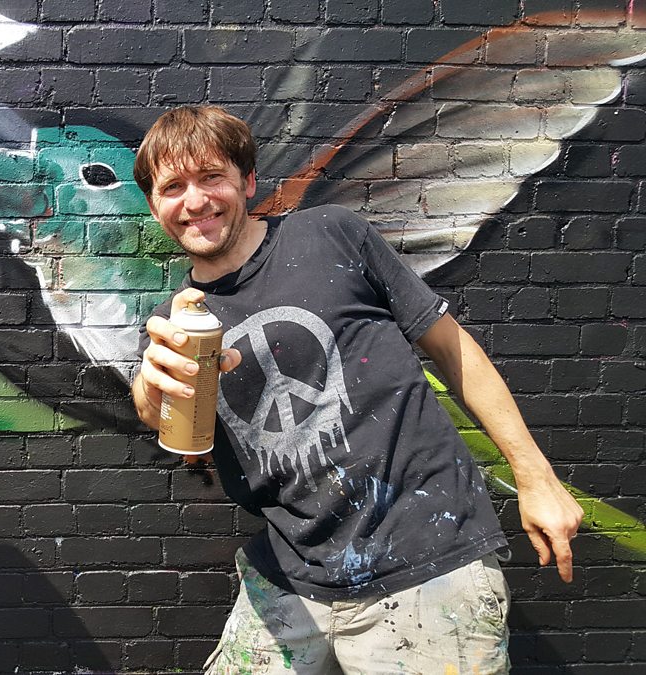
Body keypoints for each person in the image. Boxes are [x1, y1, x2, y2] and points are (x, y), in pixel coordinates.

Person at [131, 106, 583, 674]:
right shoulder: (172, 322)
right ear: (155, 206)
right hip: (290, 576)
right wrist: (150, 387)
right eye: (173, 187)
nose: (195, 201)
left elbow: (451, 348)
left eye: (211, 177)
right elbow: (155, 410)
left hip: (427, 564)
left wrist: (536, 479)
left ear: (247, 182)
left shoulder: (330, 234)